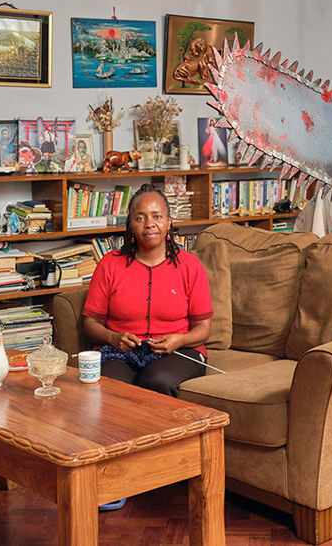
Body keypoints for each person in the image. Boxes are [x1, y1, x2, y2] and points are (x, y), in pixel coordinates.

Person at [81, 184, 214, 511]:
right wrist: (113, 338)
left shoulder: (189, 266)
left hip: (178, 351)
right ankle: (112, 477)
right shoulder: (110, 265)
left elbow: (204, 328)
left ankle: (157, 471)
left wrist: (178, 340)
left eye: (157, 216)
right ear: (130, 224)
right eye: (140, 217)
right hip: (122, 349)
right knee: (107, 385)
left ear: (169, 221)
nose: (149, 224)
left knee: (157, 382)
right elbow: (90, 323)